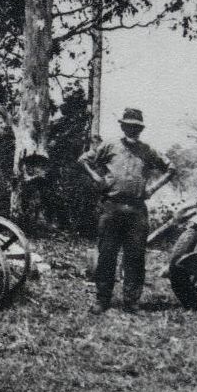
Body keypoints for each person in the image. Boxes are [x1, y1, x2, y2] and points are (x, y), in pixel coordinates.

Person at [79, 108, 175, 314]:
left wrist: (151, 189)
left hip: (137, 210)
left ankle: (132, 302)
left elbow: (170, 168)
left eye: (136, 127)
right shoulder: (110, 145)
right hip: (112, 208)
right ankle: (102, 300)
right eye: (128, 125)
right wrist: (97, 178)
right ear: (122, 126)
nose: (132, 129)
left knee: (135, 257)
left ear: (140, 129)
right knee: (107, 255)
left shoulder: (147, 150)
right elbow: (84, 160)